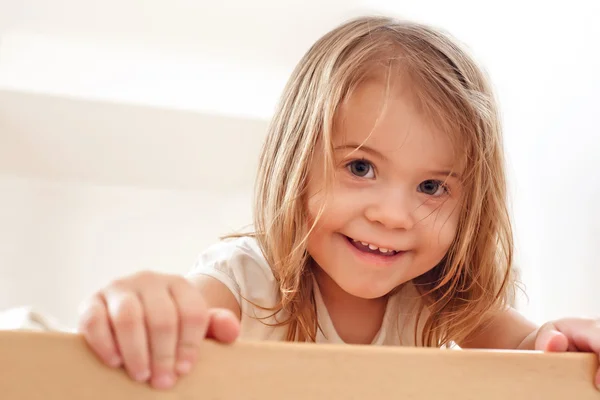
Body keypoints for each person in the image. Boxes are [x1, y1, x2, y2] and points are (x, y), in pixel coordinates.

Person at [77, 15, 600, 390]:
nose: (393, 216)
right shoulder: (245, 278)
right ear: (297, 166)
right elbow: (187, 312)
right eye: (360, 168)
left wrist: (565, 343)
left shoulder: (437, 297)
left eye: (431, 187)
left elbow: (534, 352)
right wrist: (151, 306)